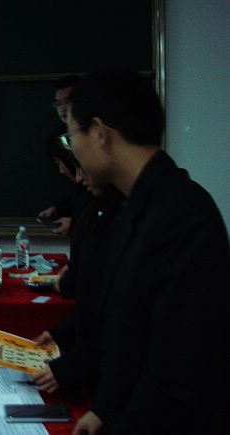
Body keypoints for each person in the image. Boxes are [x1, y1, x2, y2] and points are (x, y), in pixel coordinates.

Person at [65, 67, 229, 435]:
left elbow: (179, 369)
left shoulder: (182, 215)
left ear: (99, 132)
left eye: (71, 134)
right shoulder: (135, 206)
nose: (72, 149)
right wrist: (104, 410)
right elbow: (129, 334)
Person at [32, 167, 125, 393]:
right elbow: (94, 303)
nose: (79, 178)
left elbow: (120, 317)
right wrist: (58, 334)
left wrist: (73, 367)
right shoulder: (101, 209)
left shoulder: (121, 220)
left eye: (81, 168)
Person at [38, 75, 82, 236]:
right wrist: (59, 208)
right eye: (58, 103)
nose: (63, 108)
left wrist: (78, 224)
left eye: (68, 101)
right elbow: (81, 190)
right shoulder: (57, 139)